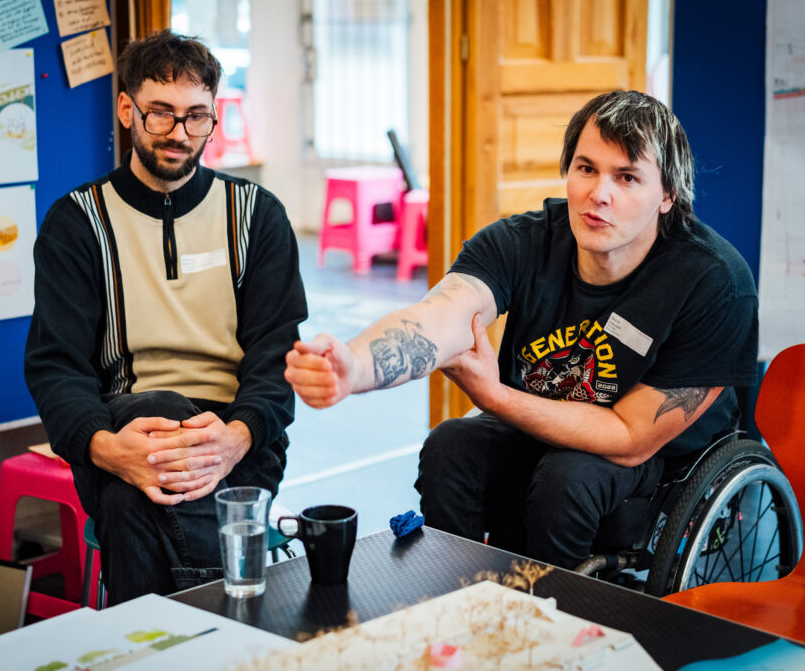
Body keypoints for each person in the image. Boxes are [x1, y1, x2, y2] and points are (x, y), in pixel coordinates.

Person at [285, 90, 757, 570]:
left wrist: (496, 398)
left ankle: (553, 619)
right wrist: (354, 365)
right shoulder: (524, 242)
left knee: (567, 476)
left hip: (658, 460)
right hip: (543, 421)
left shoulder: (715, 282)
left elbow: (631, 435)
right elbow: (443, 314)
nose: (600, 194)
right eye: (586, 168)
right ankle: (458, 598)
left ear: (667, 196)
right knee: (450, 445)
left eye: (627, 177)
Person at [25, 30, 307, 604]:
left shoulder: (257, 216)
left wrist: (234, 439)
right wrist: (106, 448)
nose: (180, 134)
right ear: (127, 108)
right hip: (119, 430)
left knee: (134, 502)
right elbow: (57, 368)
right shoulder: (77, 222)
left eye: (197, 117)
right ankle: (227, 623)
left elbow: (277, 359)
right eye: (161, 114)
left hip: (237, 438)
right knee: (151, 418)